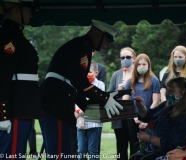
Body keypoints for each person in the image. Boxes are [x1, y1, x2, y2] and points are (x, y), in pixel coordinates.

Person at [39, 19, 123, 158]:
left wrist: (95, 109)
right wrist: (105, 98)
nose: (107, 44)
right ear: (98, 34)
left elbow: (75, 88)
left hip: (56, 100)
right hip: (56, 103)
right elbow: (80, 82)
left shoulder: (81, 46)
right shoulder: (82, 48)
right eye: (107, 39)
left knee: (59, 150)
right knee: (59, 152)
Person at [0, 0, 42, 157]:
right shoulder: (10, 37)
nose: (31, 13)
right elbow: (3, 75)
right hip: (15, 109)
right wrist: (3, 115)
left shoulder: (15, 35)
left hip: (21, 107)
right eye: (28, 9)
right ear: (16, 10)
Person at [129, 77, 186, 160]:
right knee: (134, 158)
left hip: (175, 153)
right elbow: (149, 116)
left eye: (171, 90)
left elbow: (173, 144)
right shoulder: (167, 106)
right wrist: (141, 107)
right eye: (167, 90)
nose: (166, 93)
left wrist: (149, 138)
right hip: (156, 150)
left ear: (181, 94)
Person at [108, 47, 136, 160]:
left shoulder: (137, 73)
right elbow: (109, 96)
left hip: (133, 114)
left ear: (134, 58)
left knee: (135, 144)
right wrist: (118, 91)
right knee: (121, 146)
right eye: (122, 57)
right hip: (119, 115)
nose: (125, 59)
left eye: (128, 57)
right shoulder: (116, 75)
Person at [123, 53, 160, 131]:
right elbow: (125, 100)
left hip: (149, 116)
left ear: (148, 65)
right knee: (134, 142)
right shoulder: (130, 81)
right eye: (139, 64)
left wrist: (147, 118)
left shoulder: (154, 80)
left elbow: (155, 102)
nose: (141, 67)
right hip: (133, 117)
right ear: (135, 66)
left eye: (144, 64)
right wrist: (134, 116)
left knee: (147, 142)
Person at [75, 61, 104, 160]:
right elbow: (76, 103)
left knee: (93, 152)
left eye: (90, 72)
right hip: (80, 122)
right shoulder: (80, 84)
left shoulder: (100, 85)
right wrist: (79, 119)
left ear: (96, 72)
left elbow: (97, 103)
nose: (87, 74)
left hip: (94, 123)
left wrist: (81, 110)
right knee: (81, 151)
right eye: (85, 72)